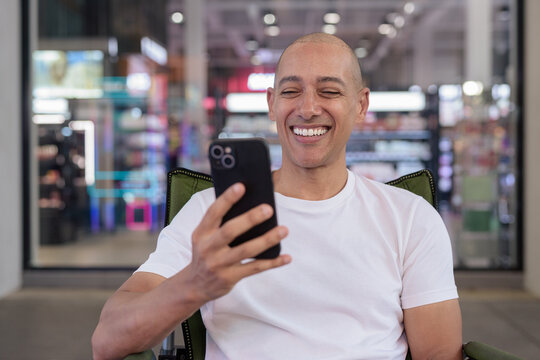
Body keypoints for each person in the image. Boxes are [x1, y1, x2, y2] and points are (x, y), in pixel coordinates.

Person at [92, 33, 462, 360]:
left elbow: (438, 354)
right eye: (290, 91)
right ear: (271, 103)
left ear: (361, 105)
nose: (307, 108)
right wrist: (193, 284)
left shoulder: (411, 218)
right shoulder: (211, 213)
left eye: (329, 91)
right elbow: (107, 340)